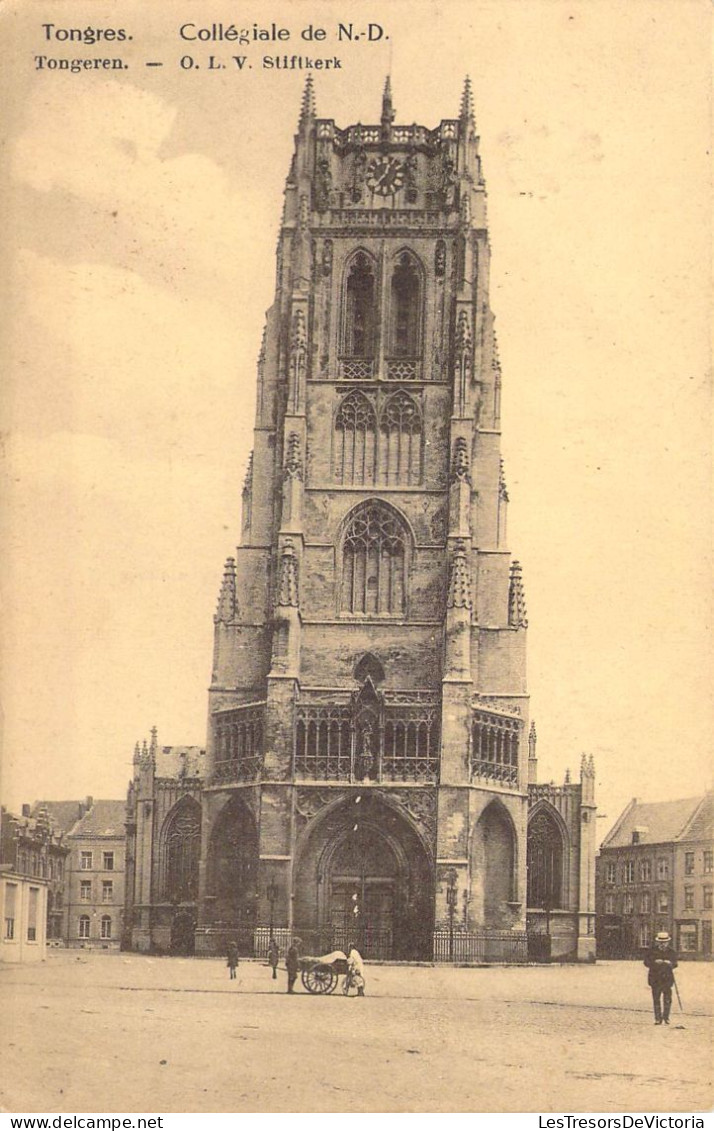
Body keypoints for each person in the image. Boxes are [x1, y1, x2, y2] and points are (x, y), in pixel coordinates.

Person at [644, 931, 678, 1024]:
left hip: (667, 979)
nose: (663, 944)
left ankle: (666, 1017)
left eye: (665, 942)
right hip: (655, 979)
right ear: (657, 942)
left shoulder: (671, 951)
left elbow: (675, 964)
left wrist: (670, 963)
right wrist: (654, 962)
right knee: (656, 999)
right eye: (661, 942)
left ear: (668, 942)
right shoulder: (651, 951)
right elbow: (646, 962)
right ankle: (658, 1018)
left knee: (667, 999)